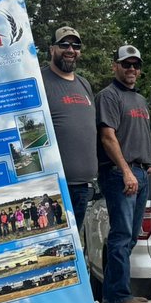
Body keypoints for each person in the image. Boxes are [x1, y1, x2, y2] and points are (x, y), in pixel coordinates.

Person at [96, 44, 151, 303]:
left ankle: (113, 294)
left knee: (130, 236)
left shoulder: (140, 100)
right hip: (121, 173)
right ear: (114, 66)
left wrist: (147, 165)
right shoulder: (108, 96)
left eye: (135, 65)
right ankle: (119, 296)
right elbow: (108, 137)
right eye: (126, 64)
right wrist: (127, 171)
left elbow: (139, 134)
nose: (131, 69)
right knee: (121, 235)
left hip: (140, 172)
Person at [41, 26, 97, 230]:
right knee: (55, 248)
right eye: (64, 44)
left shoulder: (84, 84)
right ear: (51, 49)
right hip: (53, 187)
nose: (70, 49)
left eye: (76, 45)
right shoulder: (40, 81)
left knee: (74, 251)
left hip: (82, 186)